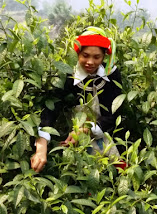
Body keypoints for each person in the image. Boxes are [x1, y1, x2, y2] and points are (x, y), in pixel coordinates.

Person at [31, 26, 123, 173]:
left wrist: (84, 130)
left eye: (96, 57)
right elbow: (51, 108)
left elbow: (112, 115)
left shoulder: (111, 75)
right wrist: (41, 145)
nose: (90, 62)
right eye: (85, 55)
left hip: (108, 137)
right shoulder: (68, 75)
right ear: (77, 54)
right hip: (72, 140)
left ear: (104, 56)